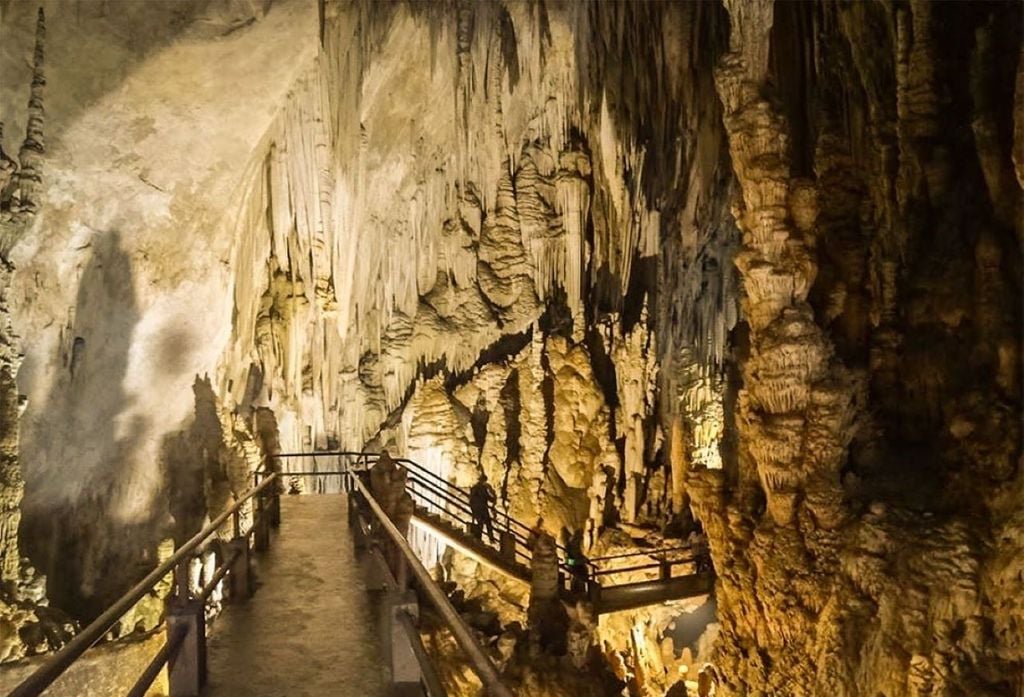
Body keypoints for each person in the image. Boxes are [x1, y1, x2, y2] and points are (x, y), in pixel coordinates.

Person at [469, 474, 497, 544]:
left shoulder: (476, 488)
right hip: (482, 509)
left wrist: (473, 509)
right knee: (486, 524)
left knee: (481, 524)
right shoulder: (481, 488)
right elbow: (489, 498)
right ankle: (490, 539)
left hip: (479, 509)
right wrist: (493, 495)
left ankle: (480, 538)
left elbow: (471, 500)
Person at [562, 527, 589, 595]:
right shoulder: (568, 547)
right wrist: (578, 561)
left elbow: (579, 555)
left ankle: (582, 592)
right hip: (573, 567)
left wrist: (584, 558)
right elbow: (567, 561)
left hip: (580, 567)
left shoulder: (576, 546)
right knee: (577, 580)